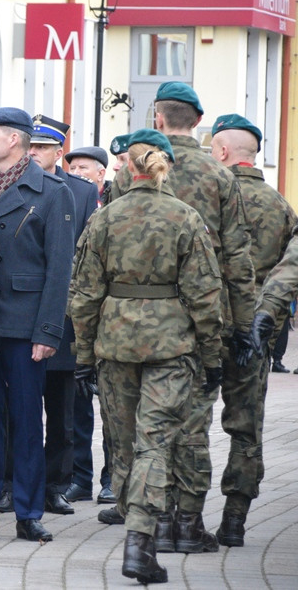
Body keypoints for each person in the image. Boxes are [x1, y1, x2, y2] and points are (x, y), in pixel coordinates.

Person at [108, 82, 255, 554]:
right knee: (190, 424)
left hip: (130, 322)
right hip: (198, 321)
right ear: (197, 121)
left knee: (138, 427)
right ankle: (186, 524)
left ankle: (146, 522)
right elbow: (237, 259)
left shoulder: (129, 173)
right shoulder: (219, 176)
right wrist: (241, 325)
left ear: (158, 117)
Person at [70, 129, 222, 584]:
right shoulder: (185, 217)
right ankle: (140, 542)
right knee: (155, 442)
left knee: (122, 443)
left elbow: (82, 294)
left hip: (115, 344)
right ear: (162, 169)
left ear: (127, 170)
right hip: (171, 345)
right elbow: (204, 294)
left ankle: (135, 530)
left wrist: (82, 353)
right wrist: (212, 355)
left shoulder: (105, 218)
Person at [0, 106, 75, 543]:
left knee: (27, 423)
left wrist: (48, 332)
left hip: (26, 327)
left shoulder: (51, 191)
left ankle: (28, 511)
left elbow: (60, 267)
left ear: (13, 140)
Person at [207, 113, 295, 547]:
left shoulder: (208, 199)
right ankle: (235, 519)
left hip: (205, 327)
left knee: (187, 425)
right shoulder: (280, 205)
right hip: (256, 335)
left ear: (222, 152)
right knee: (246, 428)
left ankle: (180, 518)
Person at [23, 115, 99, 518]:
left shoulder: (81, 192)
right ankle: (15, 483)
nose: (34, 153)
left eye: (41, 148)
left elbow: (85, 259)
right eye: (30, 146)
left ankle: (56, 484)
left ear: (58, 153)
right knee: (17, 408)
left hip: (66, 318)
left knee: (63, 412)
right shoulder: (13, 185)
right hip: (20, 311)